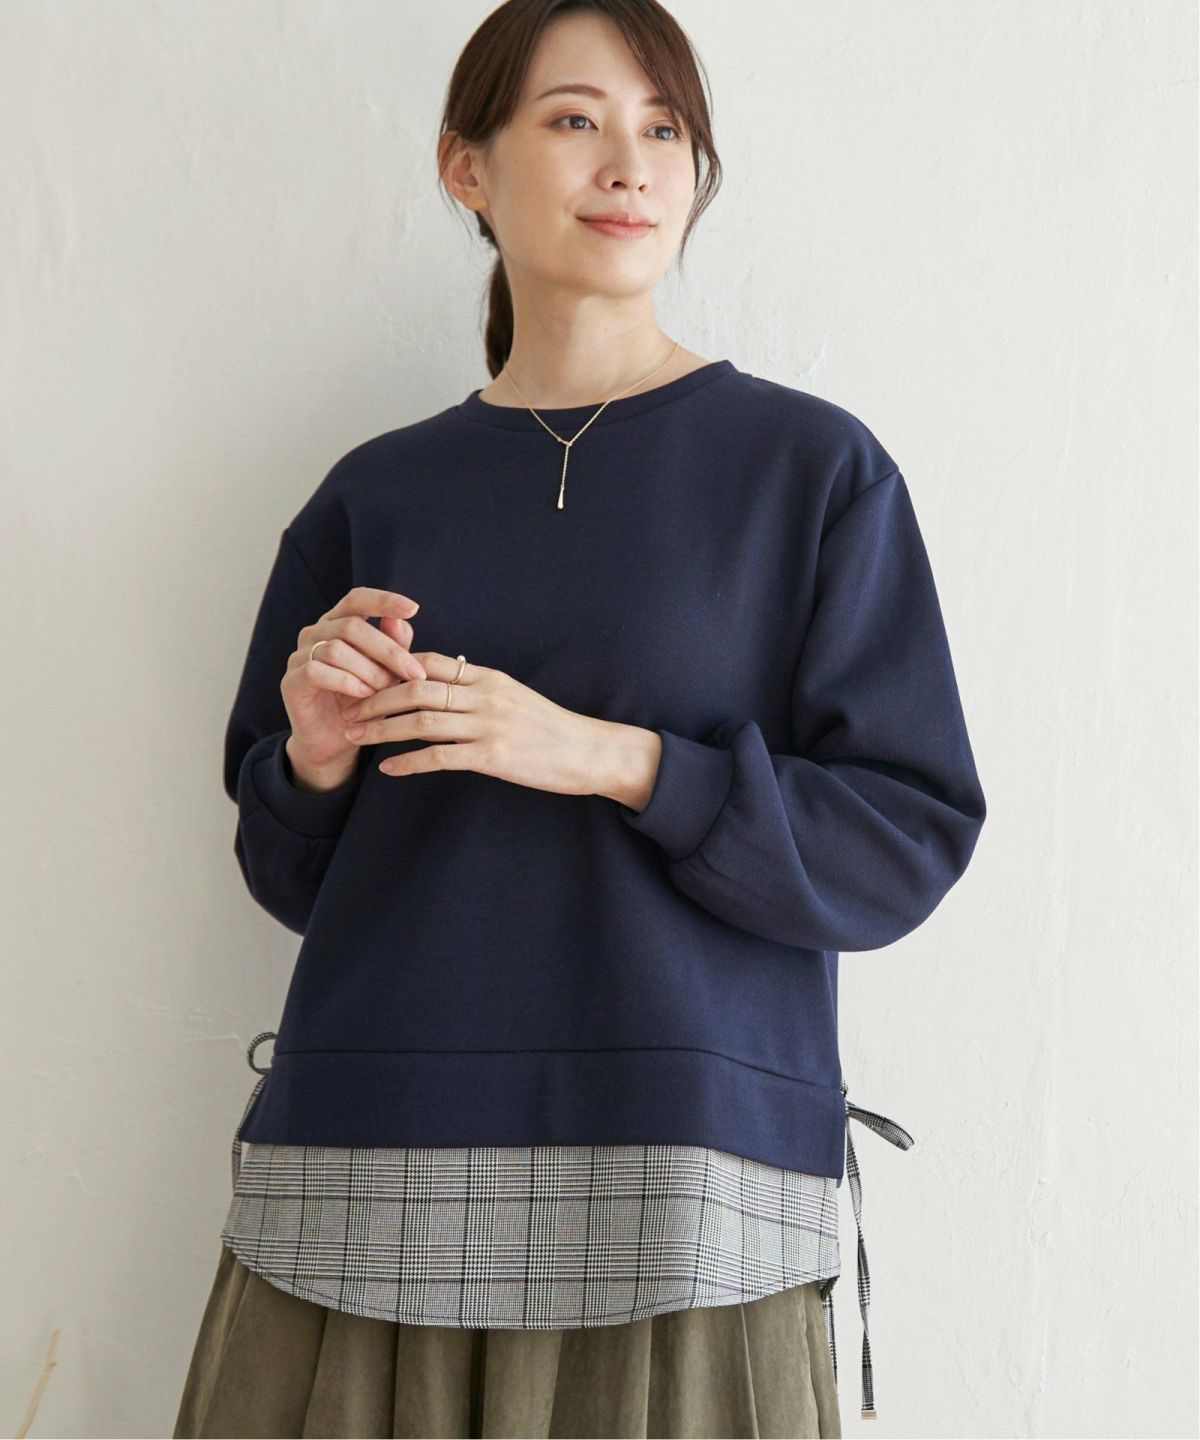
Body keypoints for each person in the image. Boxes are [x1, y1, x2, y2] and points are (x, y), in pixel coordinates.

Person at [173, 1, 987, 1436]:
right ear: (466, 167)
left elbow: (901, 842)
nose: (630, 164)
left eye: (664, 129)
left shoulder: (810, 471)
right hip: (369, 1160)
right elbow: (290, 875)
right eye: (574, 120)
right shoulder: (374, 495)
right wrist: (310, 757)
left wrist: (612, 761)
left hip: (688, 1182)